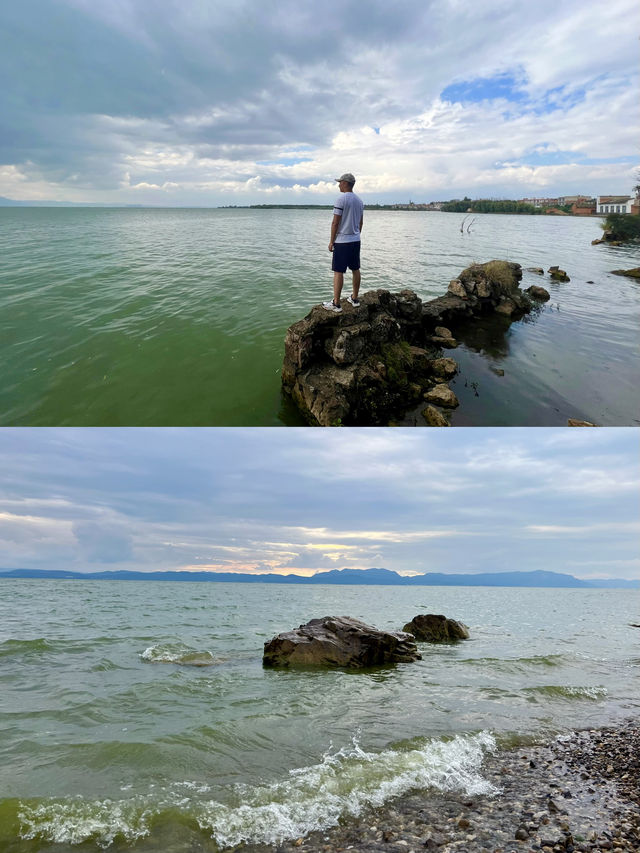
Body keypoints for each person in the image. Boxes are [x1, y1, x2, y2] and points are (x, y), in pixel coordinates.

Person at [323, 172, 364, 313]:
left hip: (342, 241)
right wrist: (356, 234)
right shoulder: (359, 201)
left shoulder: (341, 200)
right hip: (355, 240)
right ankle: (355, 298)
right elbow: (360, 223)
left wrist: (331, 241)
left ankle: (336, 303)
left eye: (340, 182)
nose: (339, 184)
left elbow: (335, 222)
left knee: (338, 271)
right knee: (355, 269)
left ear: (346, 183)